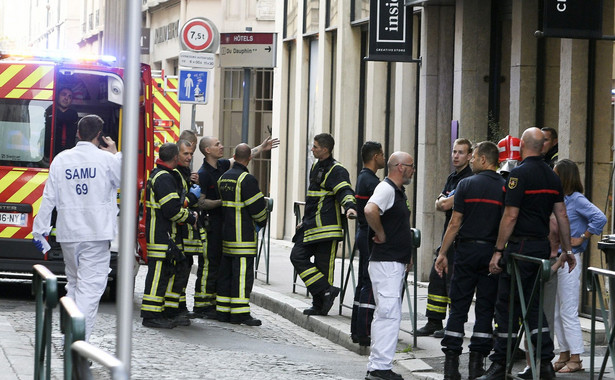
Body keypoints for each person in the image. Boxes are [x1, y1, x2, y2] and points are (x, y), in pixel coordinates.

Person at [478, 127, 576, 380]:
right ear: (543, 146)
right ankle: (544, 364)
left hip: (520, 249)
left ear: (523, 145)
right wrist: (568, 250)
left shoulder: (518, 175)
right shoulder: (552, 176)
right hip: (540, 248)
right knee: (534, 307)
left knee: (507, 306)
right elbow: (561, 215)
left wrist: (498, 250)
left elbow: (510, 216)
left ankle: (500, 364)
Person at [32, 114, 121, 341]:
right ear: (99, 136)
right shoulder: (106, 159)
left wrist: (41, 229)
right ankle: (77, 343)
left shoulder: (61, 159)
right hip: (96, 233)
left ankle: (69, 337)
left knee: (74, 284)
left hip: (69, 233)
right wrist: (115, 153)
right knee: (89, 290)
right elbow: (125, 180)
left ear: (78, 133)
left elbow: (49, 197)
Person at [434, 141, 505, 380]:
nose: (471, 160)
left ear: (484, 160)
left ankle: (451, 365)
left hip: (465, 252)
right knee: (485, 307)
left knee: (459, 306)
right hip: (490, 255)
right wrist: (499, 250)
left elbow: (454, 223)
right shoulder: (505, 188)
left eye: (474, 157)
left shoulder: (465, 185)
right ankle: (477, 365)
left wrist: (442, 253)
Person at [191, 135, 279, 319]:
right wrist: (223, 202)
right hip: (211, 226)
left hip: (224, 227)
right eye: (217, 144)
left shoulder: (222, 167)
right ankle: (203, 305)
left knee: (221, 268)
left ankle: (217, 306)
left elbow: (240, 157)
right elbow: (200, 203)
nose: (221, 146)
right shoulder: (204, 173)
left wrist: (261, 148)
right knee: (209, 265)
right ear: (208, 150)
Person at [290, 133, 357, 316]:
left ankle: (320, 304)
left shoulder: (337, 169)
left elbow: (345, 190)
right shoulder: (315, 166)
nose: (312, 149)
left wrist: (350, 207)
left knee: (323, 266)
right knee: (297, 256)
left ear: (325, 149)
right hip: (311, 226)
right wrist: (303, 221)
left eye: (315, 146)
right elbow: (312, 198)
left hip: (327, 228)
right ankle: (326, 290)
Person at [550, 159, 606, 373]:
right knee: (557, 311)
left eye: (556, 174)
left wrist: (582, 237)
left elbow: (600, 217)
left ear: (564, 177)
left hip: (571, 259)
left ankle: (576, 357)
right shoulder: (561, 199)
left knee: (568, 310)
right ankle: (564, 352)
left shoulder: (576, 199)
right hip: (559, 258)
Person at [364, 151, 415, 380]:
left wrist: (407, 254)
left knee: (386, 313)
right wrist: (381, 233)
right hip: (387, 262)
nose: (413, 170)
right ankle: (379, 368)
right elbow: (369, 209)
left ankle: (379, 364)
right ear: (401, 167)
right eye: (411, 166)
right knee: (388, 314)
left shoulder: (397, 191)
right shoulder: (386, 189)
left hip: (393, 261)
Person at [416, 138, 473, 337]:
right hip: (447, 236)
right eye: (454, 152)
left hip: (460, 237)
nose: (456, 156)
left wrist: (442, 201)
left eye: (461, 152)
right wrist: (442, 201)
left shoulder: (468, 178)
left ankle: (453, 324)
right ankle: (434, 321)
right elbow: (439, 203)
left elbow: (445, 204)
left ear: (470, 156)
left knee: (454, 281)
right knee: (437, 277)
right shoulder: (452, 177)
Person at [141, 142, 197, 329]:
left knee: (163, 274)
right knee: (158, 274)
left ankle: (158, 312)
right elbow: (171, 210)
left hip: (162, 234)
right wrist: (190, 217)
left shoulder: (160, 174)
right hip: (161, 235)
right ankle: (151, 315)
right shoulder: (164, 178)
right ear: (175, 157)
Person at [216, 143, 268, 326]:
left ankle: (222, 311)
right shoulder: (247, 180)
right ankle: (239, 313)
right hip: (243, 237)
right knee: (242, 276)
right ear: (249, 158)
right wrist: (262, 222)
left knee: (226, 274)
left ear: (234, 155)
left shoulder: (223, 178)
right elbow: (258, 210)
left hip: (226, 235)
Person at [163, 139, 203, 326]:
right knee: (177, 273)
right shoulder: (174, 174)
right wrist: (193, 197)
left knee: (183, 272)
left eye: (191, 153)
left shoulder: (183, 173)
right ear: (176, 155)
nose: (189, 157)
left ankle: (179, 307)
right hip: (178, 233)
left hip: (185, 233)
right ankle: (174, 309)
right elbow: (178, 204)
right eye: (185, 153)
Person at [351, 141, 386, 347]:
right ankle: (363, 331)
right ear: (375, 157)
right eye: (382, 155)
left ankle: (357, 329)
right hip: (369, 235)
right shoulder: (372, 182)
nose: (383, 157)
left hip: (362, 233)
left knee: (363, 281)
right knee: (369, 283)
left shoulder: (363, 177)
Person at [44, 87, 80, 159]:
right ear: (57, 96)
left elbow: (64, 118)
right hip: (49, 154)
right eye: (64, 94)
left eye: (70, 96)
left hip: (68, 155)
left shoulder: (73, 113)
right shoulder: (50, 110)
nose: (66, 98)